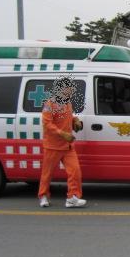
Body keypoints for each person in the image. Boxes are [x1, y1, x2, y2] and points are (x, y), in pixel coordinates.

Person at [38, 77, 87, 208]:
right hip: (53, 146)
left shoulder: (67, 102)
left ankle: (72, 198)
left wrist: (75, 121)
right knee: (47, 174)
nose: (71, 90)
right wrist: (63, 134)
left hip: (68, 146)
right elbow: (47, 124)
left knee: (75, 171)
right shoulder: (50, 104)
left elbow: (68, 117)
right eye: (68, 87)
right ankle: (43, 196)